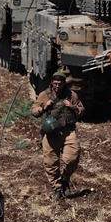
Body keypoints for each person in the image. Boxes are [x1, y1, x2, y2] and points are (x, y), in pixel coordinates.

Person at [31, 72, 84, 201]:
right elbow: (34, 110)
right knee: (50, 162)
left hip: (68, 131)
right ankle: (57, 188)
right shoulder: (44, 95)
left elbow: (81, 110)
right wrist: (44, 107)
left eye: (60, 84)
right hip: (51, 133)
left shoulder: (71, 95)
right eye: (55, 83)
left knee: (73, 157)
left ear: (63, 84)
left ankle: (65, 179)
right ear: (51, 83)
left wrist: (72, 107)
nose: (57, 86)